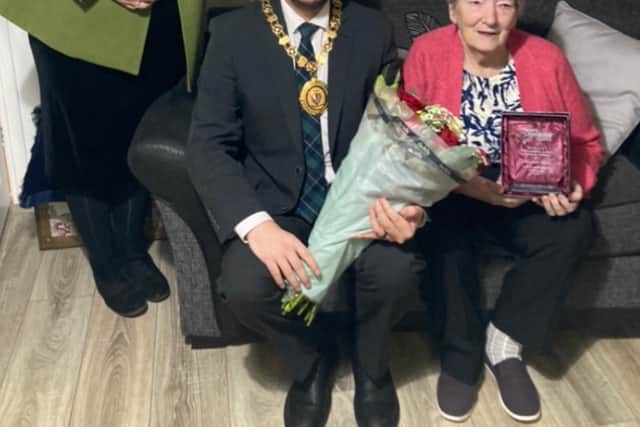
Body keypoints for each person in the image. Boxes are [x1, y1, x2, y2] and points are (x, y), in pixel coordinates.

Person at [187, 0, 427, 426]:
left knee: (398, 271)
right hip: (278, 203)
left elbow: (398, 129)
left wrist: (409, 204)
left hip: (359, 199)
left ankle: (371, 364)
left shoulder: (372, 29)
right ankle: (310, 362)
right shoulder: (231, 34)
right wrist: (257, 226)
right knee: (244, 287)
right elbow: (208, 146)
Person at [403, 0, 604, 423]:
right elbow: (410, 144)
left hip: (526, 182)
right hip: (452, 181)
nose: (489, 18)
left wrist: (573, 184)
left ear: (517, 12)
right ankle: (460, 353)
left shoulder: (547, 58)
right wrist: (471, 187)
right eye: (475, 2)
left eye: (504, 4)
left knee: (575, 229)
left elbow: (586, 143)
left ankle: (505, 340)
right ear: (453, 10)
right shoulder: (426, 52)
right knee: (442, 238)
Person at [0, 0, 205, 317]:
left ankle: (132, 249)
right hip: (75, 19)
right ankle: (106, 262)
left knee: (141, 130)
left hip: (161, 16)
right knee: (81, 142)